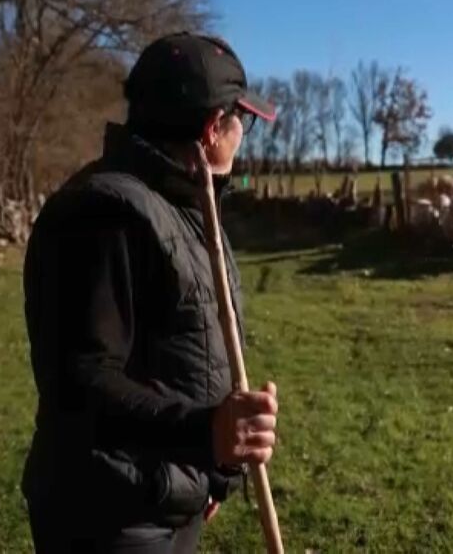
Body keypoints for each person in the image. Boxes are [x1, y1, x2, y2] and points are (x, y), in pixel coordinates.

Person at [22, 33, 279, 553]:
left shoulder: (185, 207)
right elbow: (81, 381)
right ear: (212, 129)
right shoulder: (103, 214)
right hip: (111, 513)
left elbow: (188, 349)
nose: (244, 134)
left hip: (168, 495)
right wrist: (204, 434)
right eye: (242, 120)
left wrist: (219, 465)